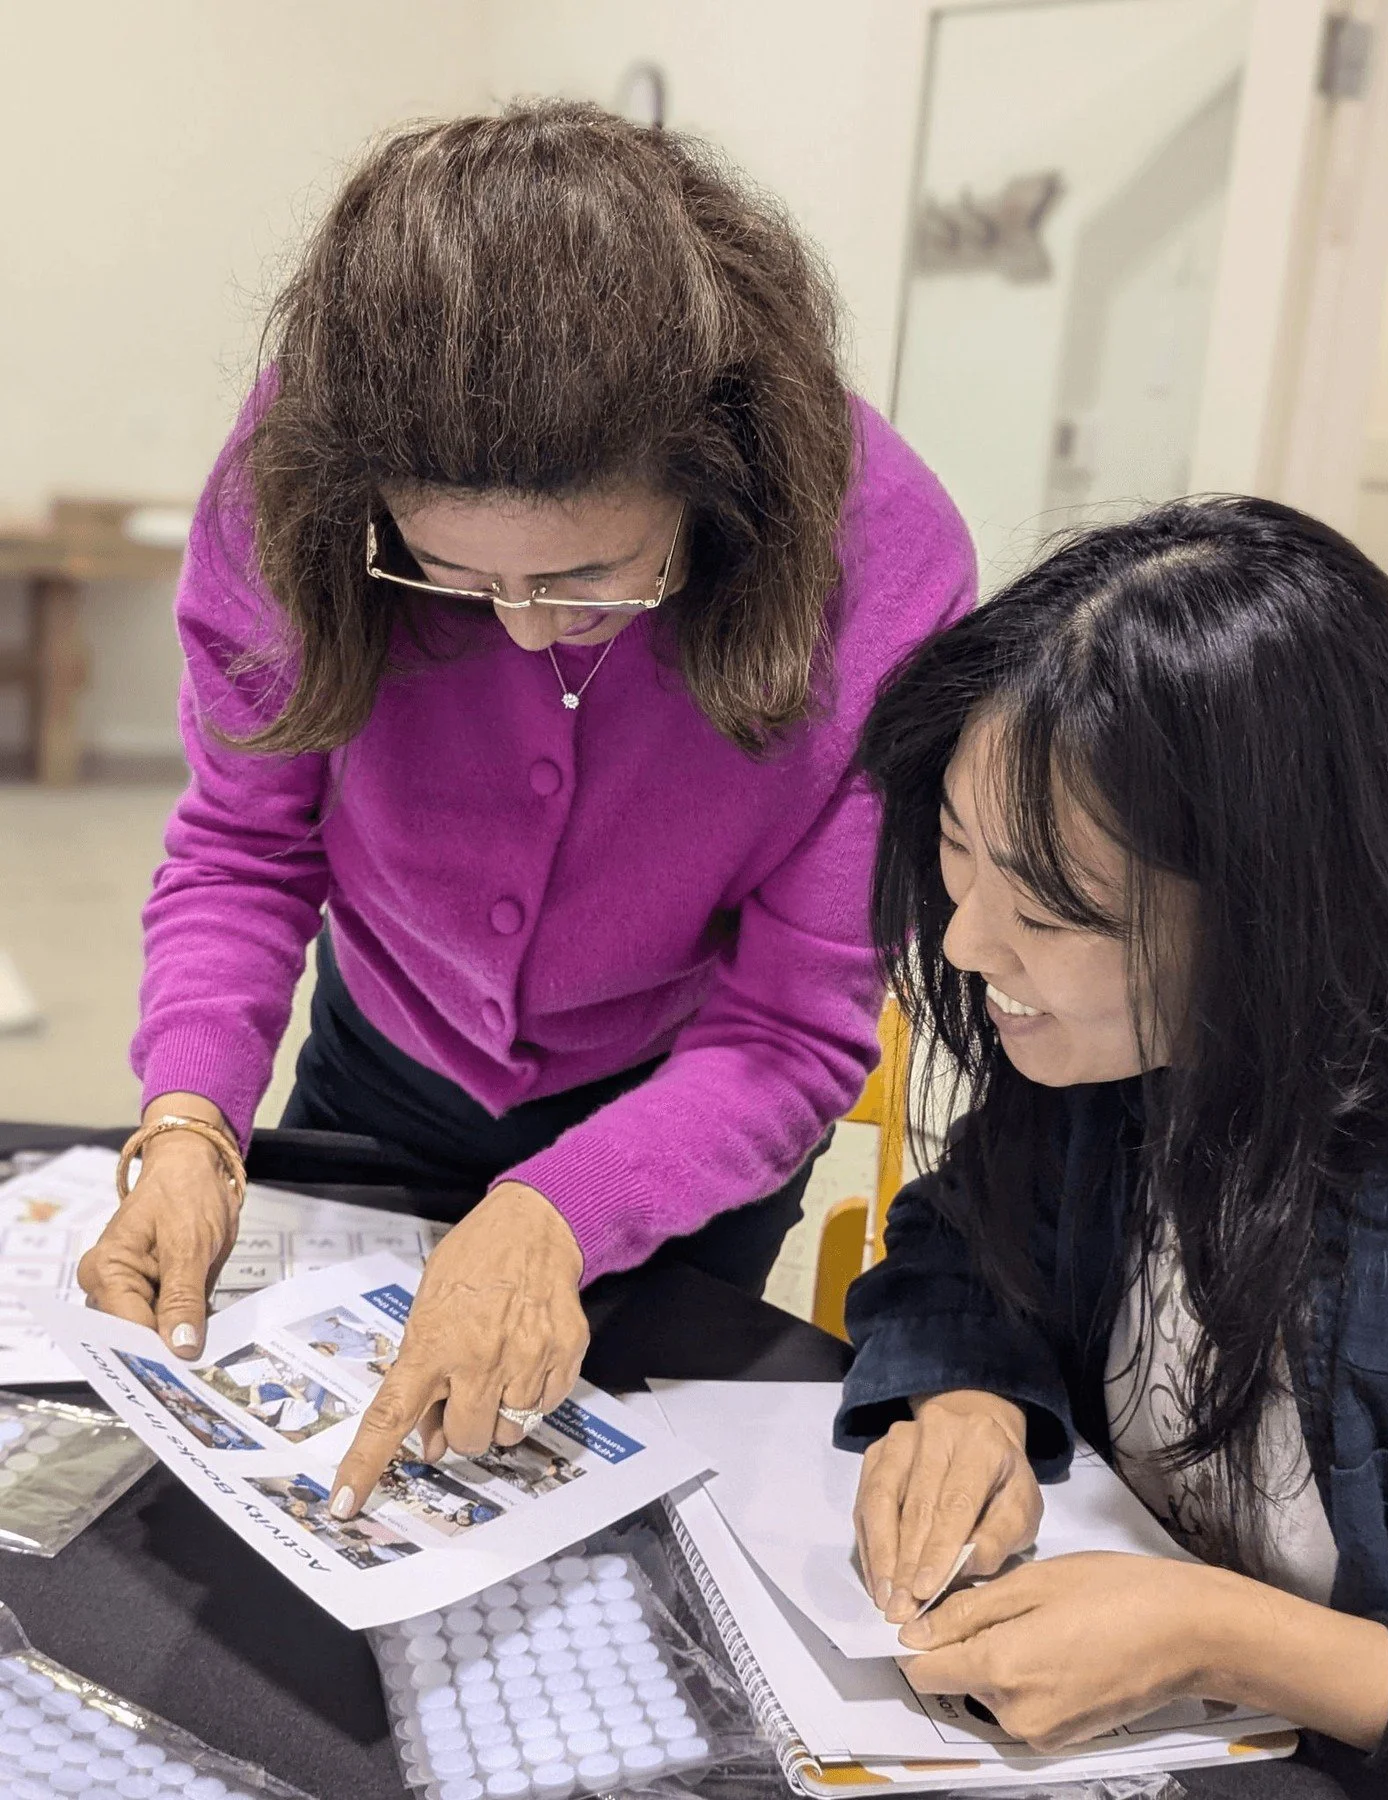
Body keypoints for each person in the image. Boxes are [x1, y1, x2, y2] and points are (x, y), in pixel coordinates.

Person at [76, 102, 975, 1523]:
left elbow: (794, 1026)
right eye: (452, 575)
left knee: (605, 1525)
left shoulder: (886, 565)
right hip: (386, 1059)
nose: (523, 629)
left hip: (682, 1117)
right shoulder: (290, 477)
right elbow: (247, 848)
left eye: (592, 575)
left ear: (718, 472)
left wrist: (562, 1211)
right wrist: (189, 1118)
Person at [838, 498, 1388, 1792]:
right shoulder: (1118, 1072)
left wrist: (1221, 1634)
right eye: (954, 851)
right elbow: (963, 1238)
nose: (964, 944)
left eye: (1051, 910)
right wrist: (969, 1401)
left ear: (1280, 912)